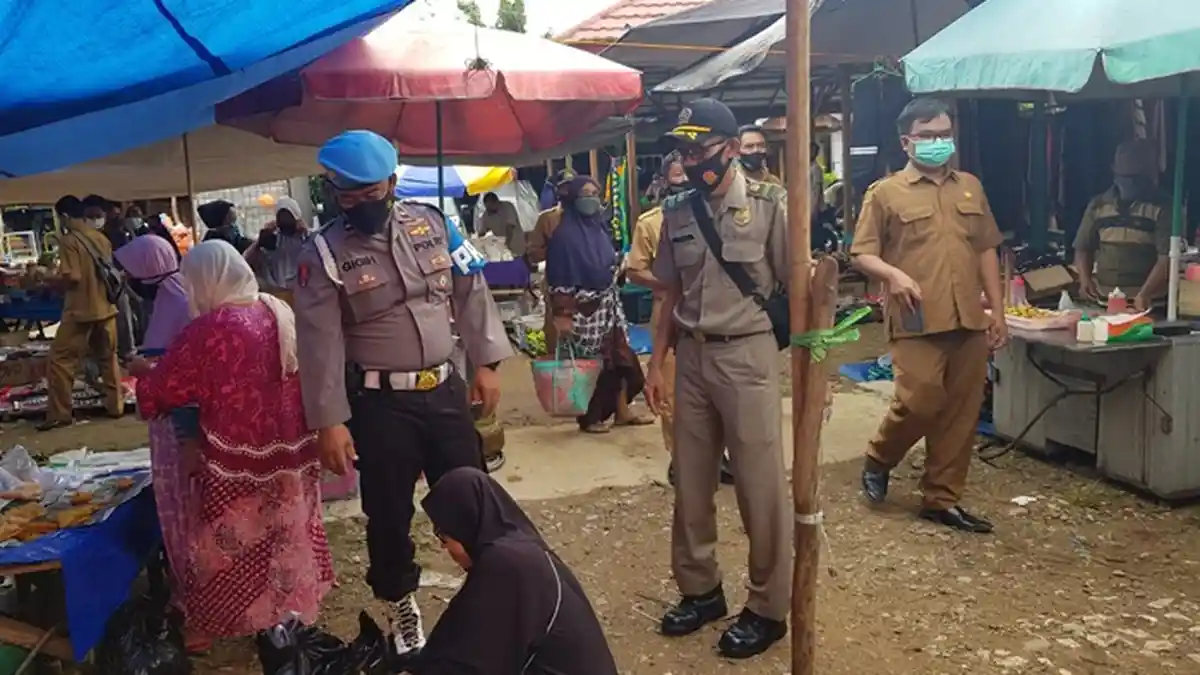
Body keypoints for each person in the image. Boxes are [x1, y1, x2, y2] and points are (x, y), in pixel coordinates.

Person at [293, 129, 511, 658]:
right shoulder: (323, 253)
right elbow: (320, 342)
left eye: (372, 192)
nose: (362, 204)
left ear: (391, 182)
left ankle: (493, 594)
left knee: (471, 496)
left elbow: (470, 288)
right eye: (349, 195)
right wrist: (330, 421)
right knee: (389, 513)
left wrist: (486, 361)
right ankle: (401, 607)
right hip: (380, 403)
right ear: (332, 191)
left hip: (443, 389)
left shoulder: (434, 225)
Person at [128, 241, 333, 660]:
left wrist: (141, 372)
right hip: (290, 450)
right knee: (284, 533)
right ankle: (281, 619)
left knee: (231, 545)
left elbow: (162, 393)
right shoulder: (277, 310)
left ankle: (239, 619)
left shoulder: (210, 328)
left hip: (235, 459)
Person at [643, 98, 791, 659]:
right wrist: (657, 363)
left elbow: (794, 288)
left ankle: (768, 607)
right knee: (692, 480)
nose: (690, 159)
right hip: (693, 358)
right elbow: (669, 295)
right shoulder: (677, 212)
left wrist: (803, 364)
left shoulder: (770, 205)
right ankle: (701, 588)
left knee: (759, 485)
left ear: (731, 149)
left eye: (700, 149)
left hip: (748, 354)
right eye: (683, 149)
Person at [850, 97, 1007, 534]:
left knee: (961, 410)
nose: (939, 142)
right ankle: (881, 456)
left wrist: (999, 310)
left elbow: (986, 248)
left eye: (944, 134)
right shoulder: (885, 193)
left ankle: (941, 498)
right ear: (907, 141)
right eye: (928, 135)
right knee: (920, 400)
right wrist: (893, 275)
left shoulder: (970, 186)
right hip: (916, 315)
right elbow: (862, 253)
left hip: (969, 317)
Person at [408, 467, 618, 675]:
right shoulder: (520, 549)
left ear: (465, 525)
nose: (444, 548)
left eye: (444, 536)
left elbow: (465, 658)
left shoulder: (507, 565)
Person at [627, 154, 734, 485]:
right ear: (665, 180)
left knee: (721, 390)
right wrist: (671, 283)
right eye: (678, 175)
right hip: (671, 313)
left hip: (718, 313)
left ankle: (719, 457)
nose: (686, 179)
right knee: (672, 393)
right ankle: (681, 459)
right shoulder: (652, 222)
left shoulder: (726, 213)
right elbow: (634, 270)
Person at [113, 235, 199, 646]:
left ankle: (195, 594)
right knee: (176, 501)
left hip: (180, 423)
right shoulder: (169, 298)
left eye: (131, 272)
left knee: (185, 502)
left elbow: (183, 367)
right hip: (169, 421)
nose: (128, 280)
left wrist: (142, 368)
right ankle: (186, 585)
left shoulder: (178, 302)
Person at [546, 176, 654, 434]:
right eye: (586, 193)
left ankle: (622, 412)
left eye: (595, 193)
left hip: (609, 304)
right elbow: (559, 276)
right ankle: (591, 417)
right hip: (584, 310)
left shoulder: (600, 227)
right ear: (573, 199)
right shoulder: (564, 236)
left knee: (622, 359)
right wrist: (563, 314)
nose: (592, 198)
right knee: (594, 366)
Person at [39, 196, 124, 431]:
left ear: (64, 216)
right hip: (105, 308)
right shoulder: (101, 238)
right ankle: (115, 406)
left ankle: (60, 414)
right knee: (108, 359)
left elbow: (73, 276)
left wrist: (46, 279)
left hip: (79, 311)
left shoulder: (69, 241)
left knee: (60, 361)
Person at [1073, 139, 1174, 310]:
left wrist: (1145, 293)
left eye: (1136, 178)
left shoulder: (1164, 207)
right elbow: (1083, 248)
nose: (1130, 183)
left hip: (1148, 303)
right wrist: (1085, 280)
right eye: (1125, 177)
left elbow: (1167, 259)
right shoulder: (1098, 205)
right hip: (1104, 299)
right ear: (1114, 172)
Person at [245, 196, 308, 303]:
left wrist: (306, 233)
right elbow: (246, 261)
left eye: (288, 216)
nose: (285, 220)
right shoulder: (272, 238)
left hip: (303, 293)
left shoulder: (307, 237)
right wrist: (260, 241)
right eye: (281, 217)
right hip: (278, 295)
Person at [478, 192, 526, 258]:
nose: (488, 210)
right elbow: (482, 232)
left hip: (516, 244)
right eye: (487, 207)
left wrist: (506, 244)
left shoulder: (507, 207)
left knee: (521, 263)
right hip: (502, 249)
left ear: (496, 202)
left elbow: (510, 226)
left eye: (490, 207)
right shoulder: (486, 215)